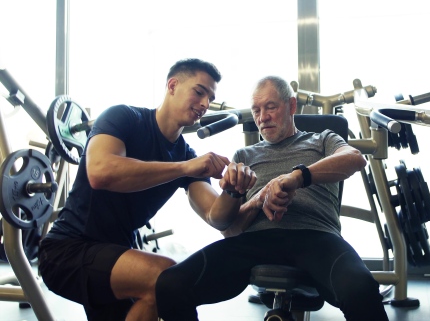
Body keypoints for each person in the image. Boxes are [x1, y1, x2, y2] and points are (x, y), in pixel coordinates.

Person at [155, 76, 389, 321]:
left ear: (291, 106)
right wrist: (260, 198)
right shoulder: (245, 154)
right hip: (254, 240)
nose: (262, 117)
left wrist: (296, 178)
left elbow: (355, 158)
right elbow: (231, 231)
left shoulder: (322, 140)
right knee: (170, 285)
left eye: (270, 107)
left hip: (316, 237)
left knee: (361, 290)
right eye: (256, 110)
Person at [38, 58, 257, 321]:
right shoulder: (123, 117)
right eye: (199, 92)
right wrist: (183, 168)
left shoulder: (185, 155)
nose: (204, 105)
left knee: (162, 289)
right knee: (166, 278)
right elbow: (100, 172)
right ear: (173, 85)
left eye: (210, 98)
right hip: (69, 249)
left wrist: (233, 191)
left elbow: (215, 215)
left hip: (118, 256)